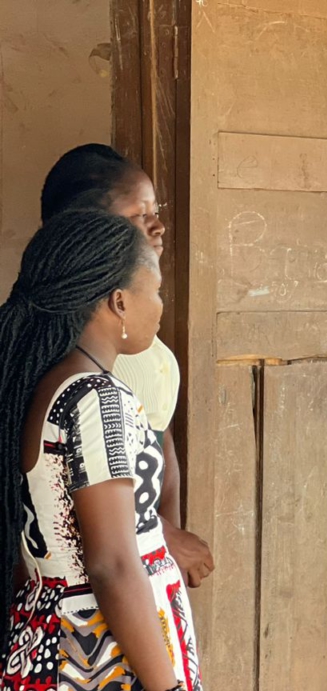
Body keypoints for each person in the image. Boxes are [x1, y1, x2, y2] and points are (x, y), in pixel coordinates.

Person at [0, 210, 213, 691]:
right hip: (101, 676)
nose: (161, 307)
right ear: (118, 300)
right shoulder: (96, 400)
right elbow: (114, 564)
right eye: (156, 291)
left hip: (53, 649)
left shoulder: (52, 385)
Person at [39, 144, 214, 589]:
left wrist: (162, 551)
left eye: (157, 209)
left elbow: (158, 441)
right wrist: (160, 536)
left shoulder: (135, 327)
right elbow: (81, 477)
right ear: (87, 226)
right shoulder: (74, 350)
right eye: (140, 214)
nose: (158, 225)